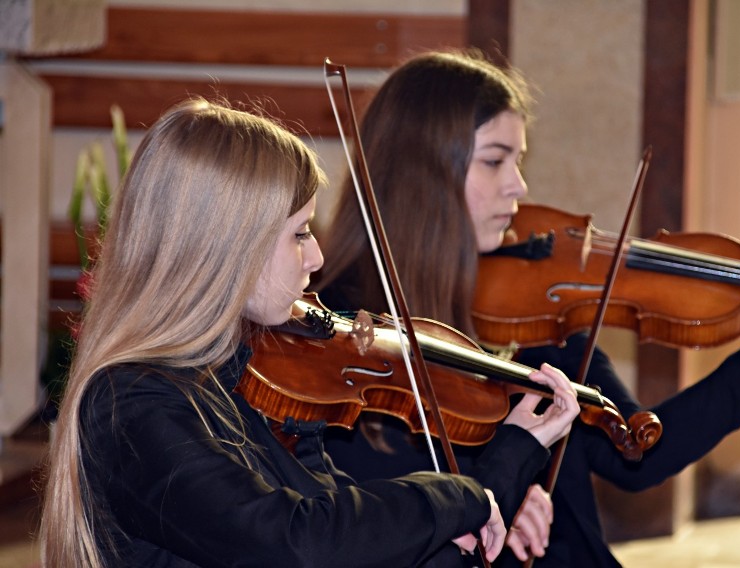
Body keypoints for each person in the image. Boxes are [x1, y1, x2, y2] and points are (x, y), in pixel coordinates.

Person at [312, 49, 740, 567]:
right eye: (495, 161)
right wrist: (497, 490)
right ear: (421, 172)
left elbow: (636, 453)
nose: (518, 186)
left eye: (518, 161)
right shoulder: (339, 328)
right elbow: (353, 514)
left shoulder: (532, 309)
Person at [38, 97, 582, 568]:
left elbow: (354, 545)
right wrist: (460, 498)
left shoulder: (239, 381)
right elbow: (297, 544)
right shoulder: (133, 405)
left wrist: (501, 472)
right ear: (225, 246)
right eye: (299, 234)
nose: (317, 257)